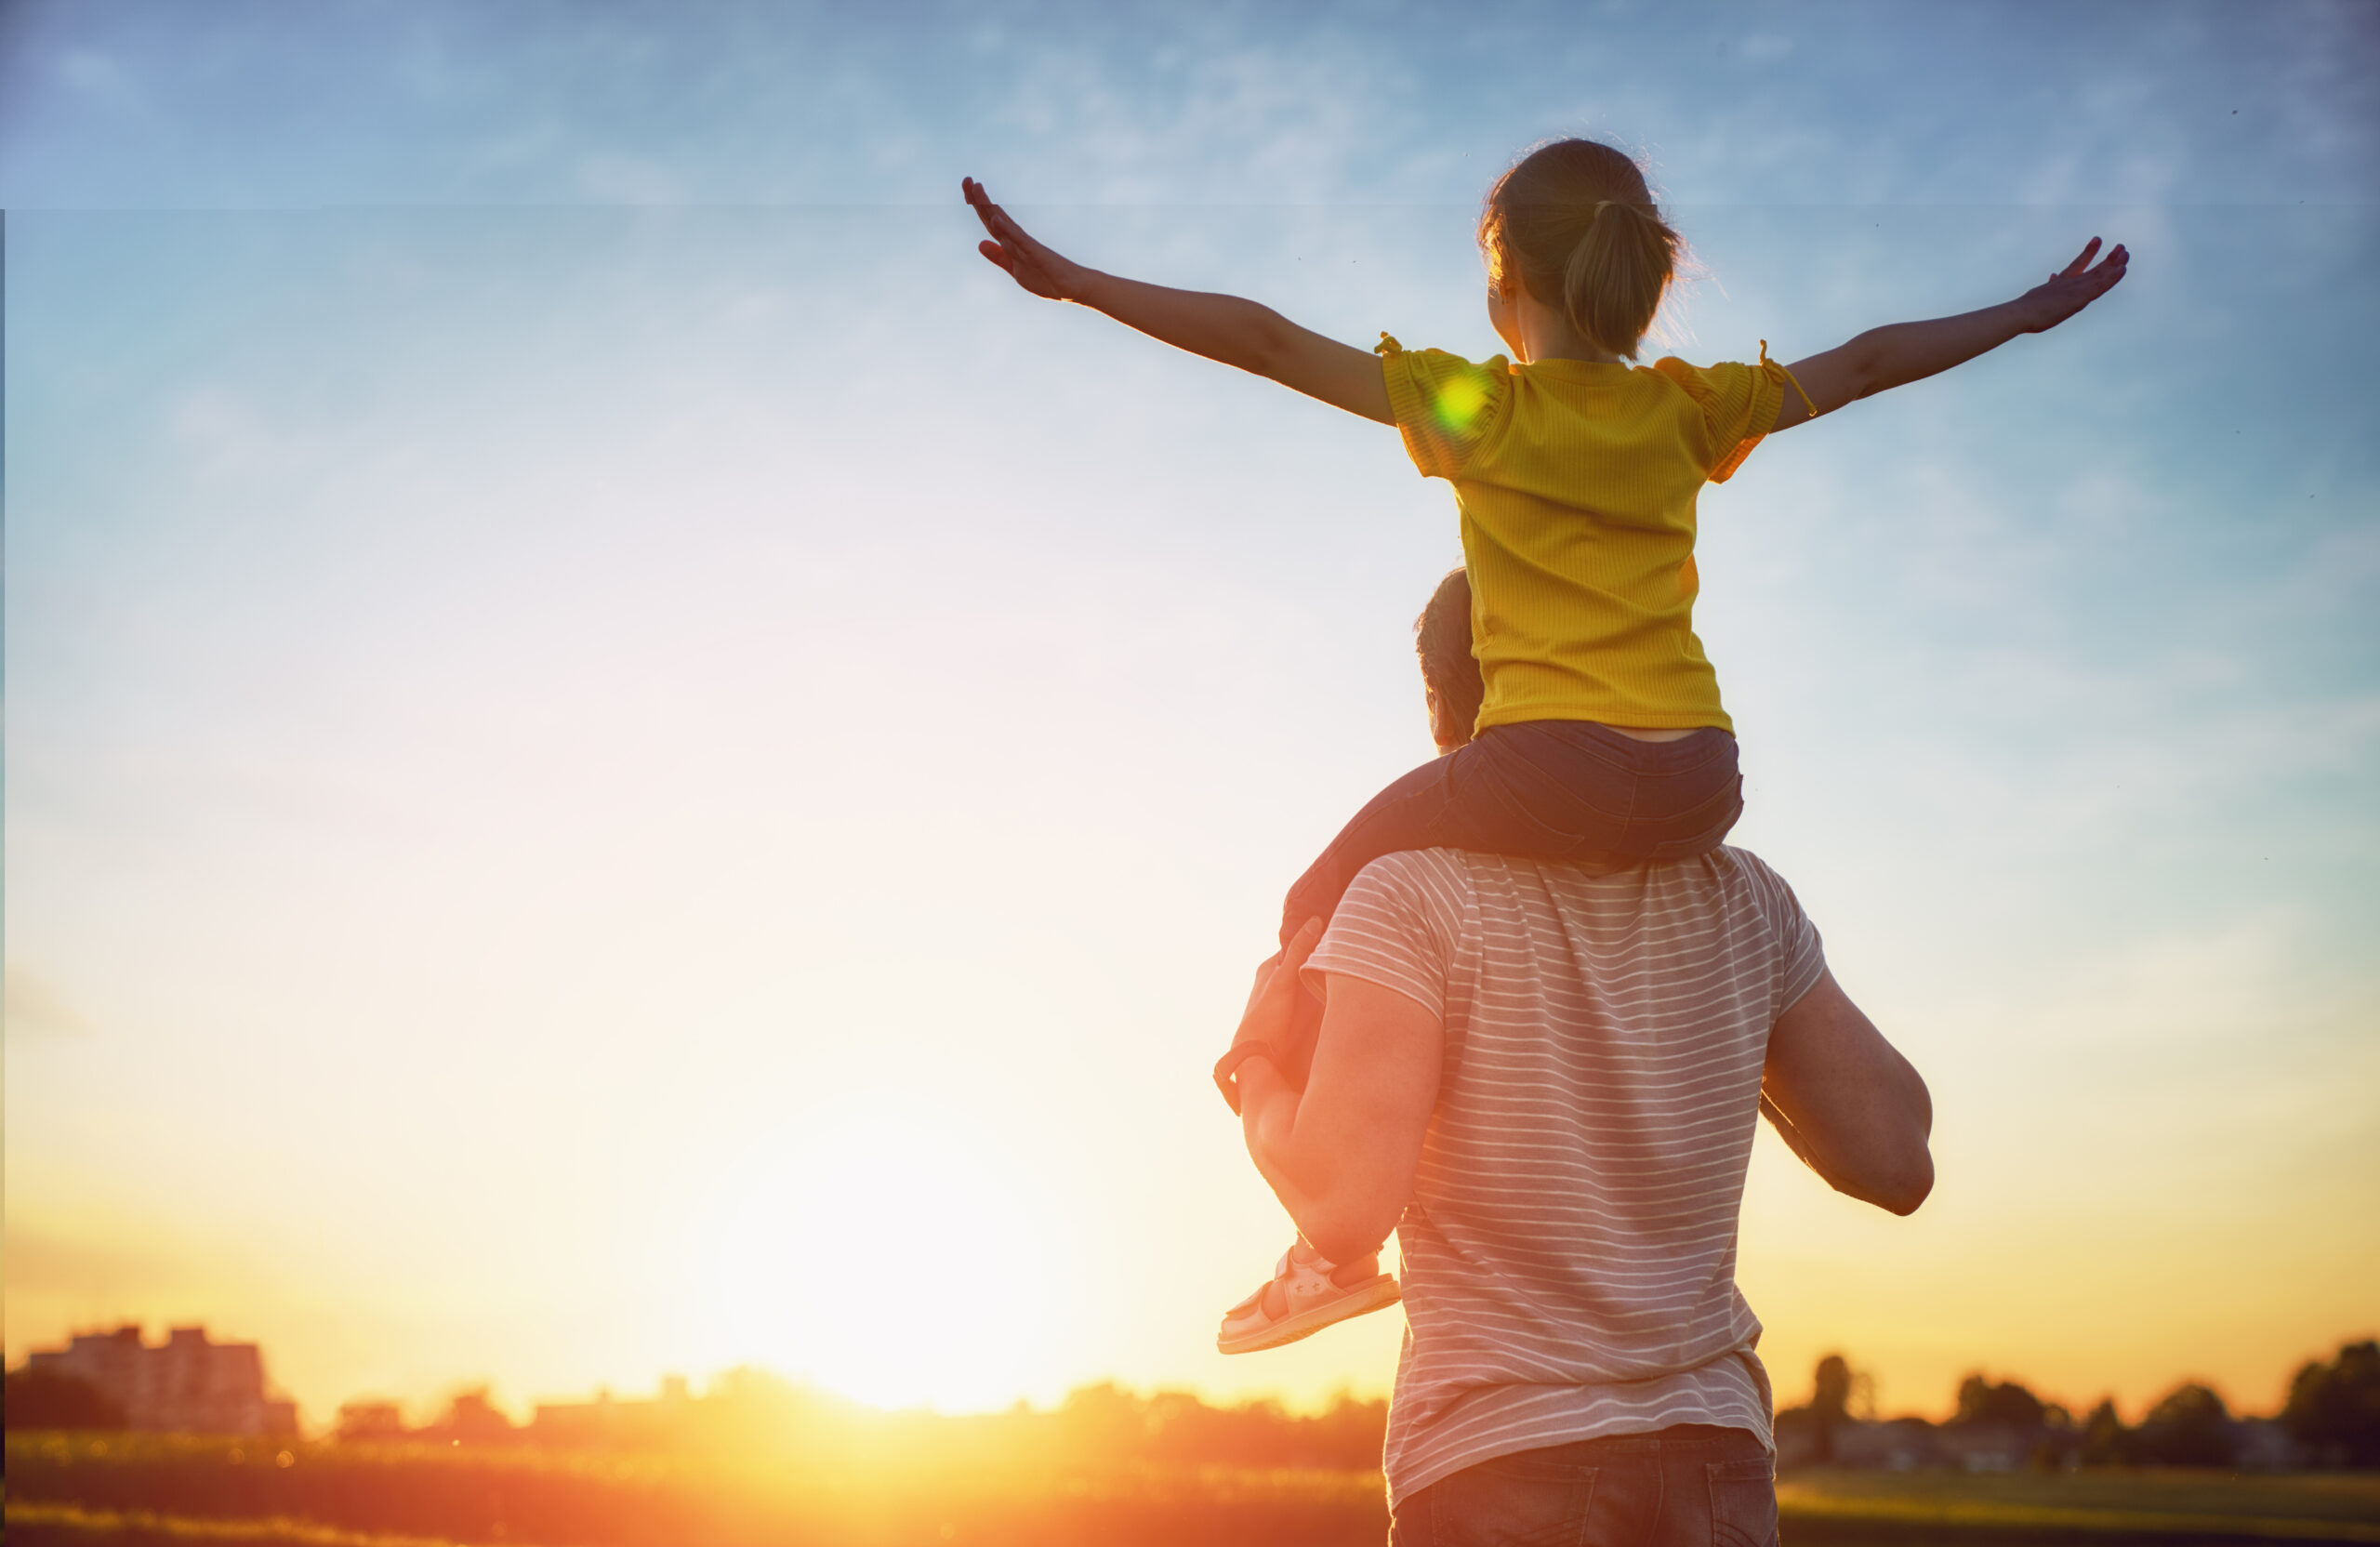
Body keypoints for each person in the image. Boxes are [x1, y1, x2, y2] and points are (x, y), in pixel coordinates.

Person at [963, 138, 2121, 1343]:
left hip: (1547, 766)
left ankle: (1327, 1248)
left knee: (1322, 888)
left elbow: (1264, 340)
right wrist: (2029, 314)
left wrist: (1086, 284)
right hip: (1697, 778)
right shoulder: (1690, 407)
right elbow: (1874, 360)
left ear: (1505, 280)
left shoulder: (1485, 406)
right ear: (1637, 273)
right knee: (1497, 855)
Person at [1222, 570, 1934, 1544]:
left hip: (1499, 1460)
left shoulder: (1406, 897)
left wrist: (1253, 1064)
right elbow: (1896, 1154)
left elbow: (1343, 1210)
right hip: (1713, 1459)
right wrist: (1731, 1021)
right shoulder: (1744, 898)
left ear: (1442, 708)